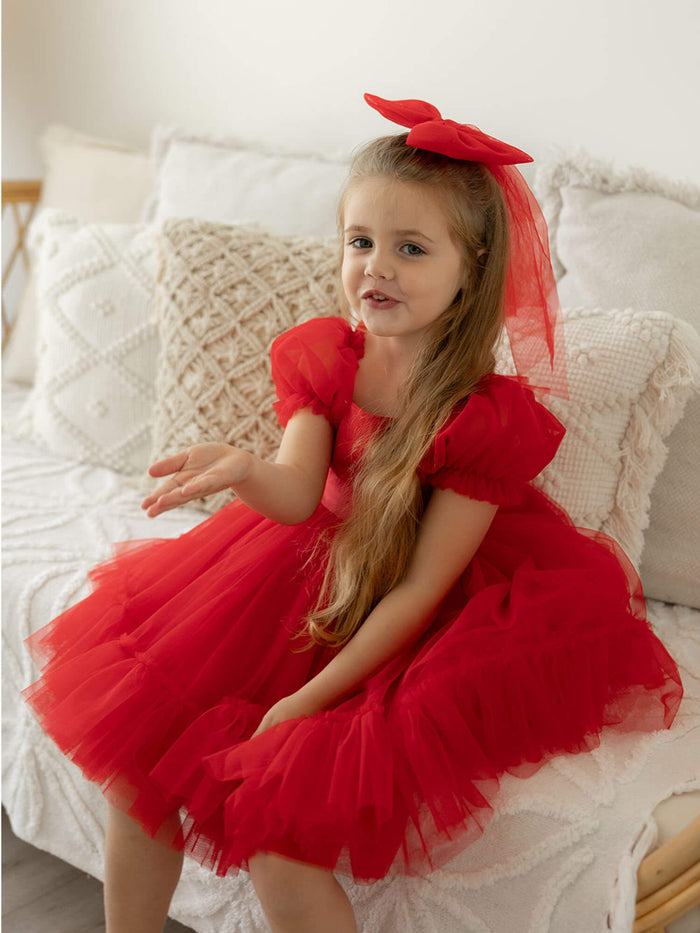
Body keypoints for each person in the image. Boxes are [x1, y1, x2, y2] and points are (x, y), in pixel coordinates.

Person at [22, 94, 682, 933]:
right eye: (361, 242)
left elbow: (414, 591)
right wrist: (243, 469)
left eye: (411, 249)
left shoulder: (482, 420)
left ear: (470, 270)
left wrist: (308, 701)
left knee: (278, 834)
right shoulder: (326, 356)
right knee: (135, 771)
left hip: (414, 614)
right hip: (290, 569)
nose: (378, 267)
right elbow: (298, 491)